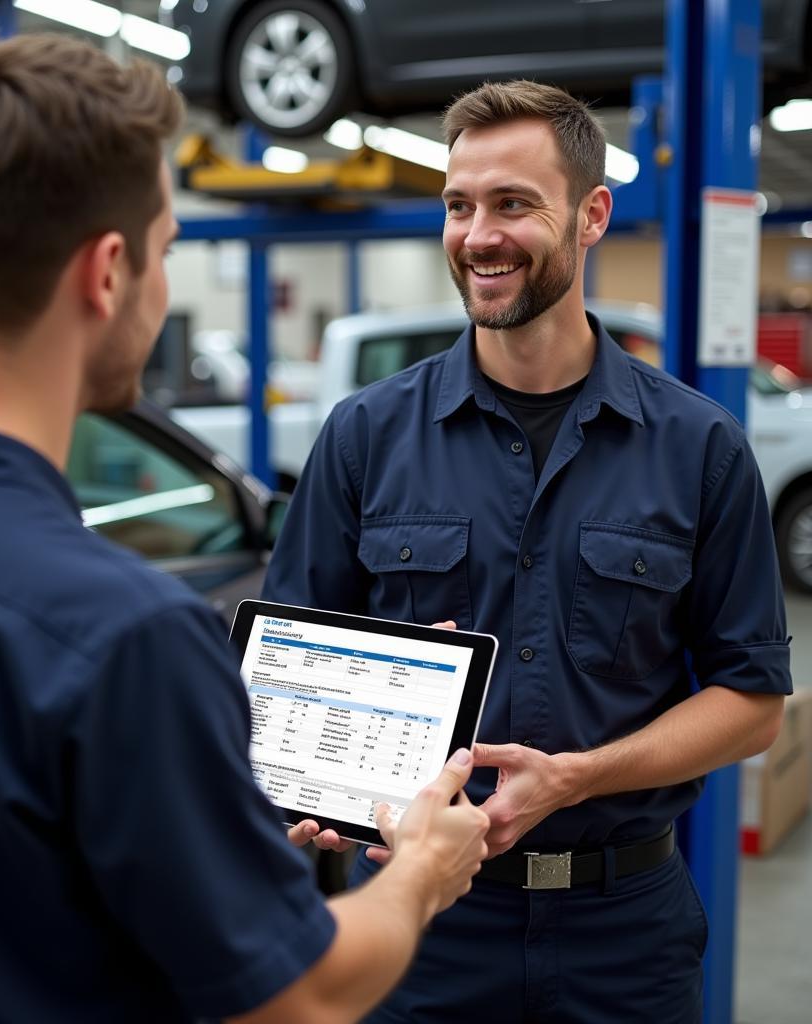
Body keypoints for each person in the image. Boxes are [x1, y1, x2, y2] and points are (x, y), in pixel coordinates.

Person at [0, 35, 492, 1024]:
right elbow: (304, 999)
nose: (162, 290)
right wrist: (422, 867)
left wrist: (209, 831)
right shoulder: (125, 633)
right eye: (165, 253)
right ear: (108, 271)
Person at [265, 80, 792, 1023]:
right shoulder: (364, 437)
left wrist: (581, 777)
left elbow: (752, 704)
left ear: (591, 216)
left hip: (624, 933)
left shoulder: (697, 447)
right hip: (423, 927)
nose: (478, 235)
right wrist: (308, 788)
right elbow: (294, 671)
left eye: (513, 204)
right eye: (459, 206)